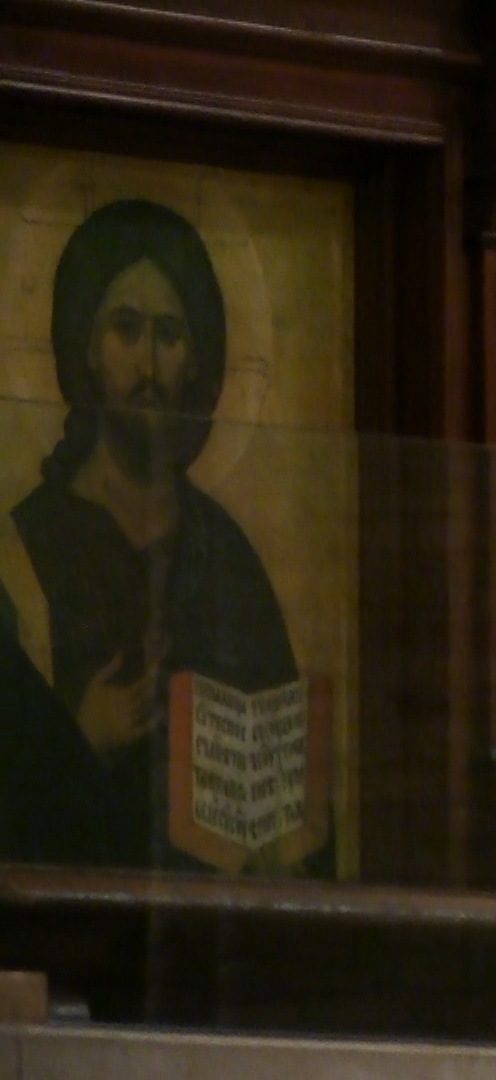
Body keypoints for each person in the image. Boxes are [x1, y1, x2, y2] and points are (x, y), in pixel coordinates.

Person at [0, 198, 302, 869]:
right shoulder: (23, 552)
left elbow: (291, 806)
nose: (148, 366)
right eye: (126, 330)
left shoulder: (226, 557)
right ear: (88, 347)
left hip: (210, 919)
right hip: (61, 915)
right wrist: (80, 739)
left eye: (169, 335)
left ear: (194, 359)